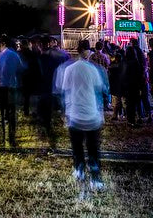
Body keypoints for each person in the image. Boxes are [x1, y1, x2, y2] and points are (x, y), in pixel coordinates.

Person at [54, 38, 109, 191]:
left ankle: (79, 170)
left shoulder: (69, 69)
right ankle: (96, 178)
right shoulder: (93, 69)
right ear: (87, 51)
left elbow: (64, 91)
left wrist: (65, 113)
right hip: (91, 115)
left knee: (77, 148)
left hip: (75, 115)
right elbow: (100, 90)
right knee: (93, 149)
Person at [0, 34, 25, 147]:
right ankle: (11, 138)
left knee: (0, 114)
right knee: (11, 114)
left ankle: (1, 139)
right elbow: (21, 69)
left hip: (0, 88)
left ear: (3, 43)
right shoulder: (15, 56)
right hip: (11, 87)